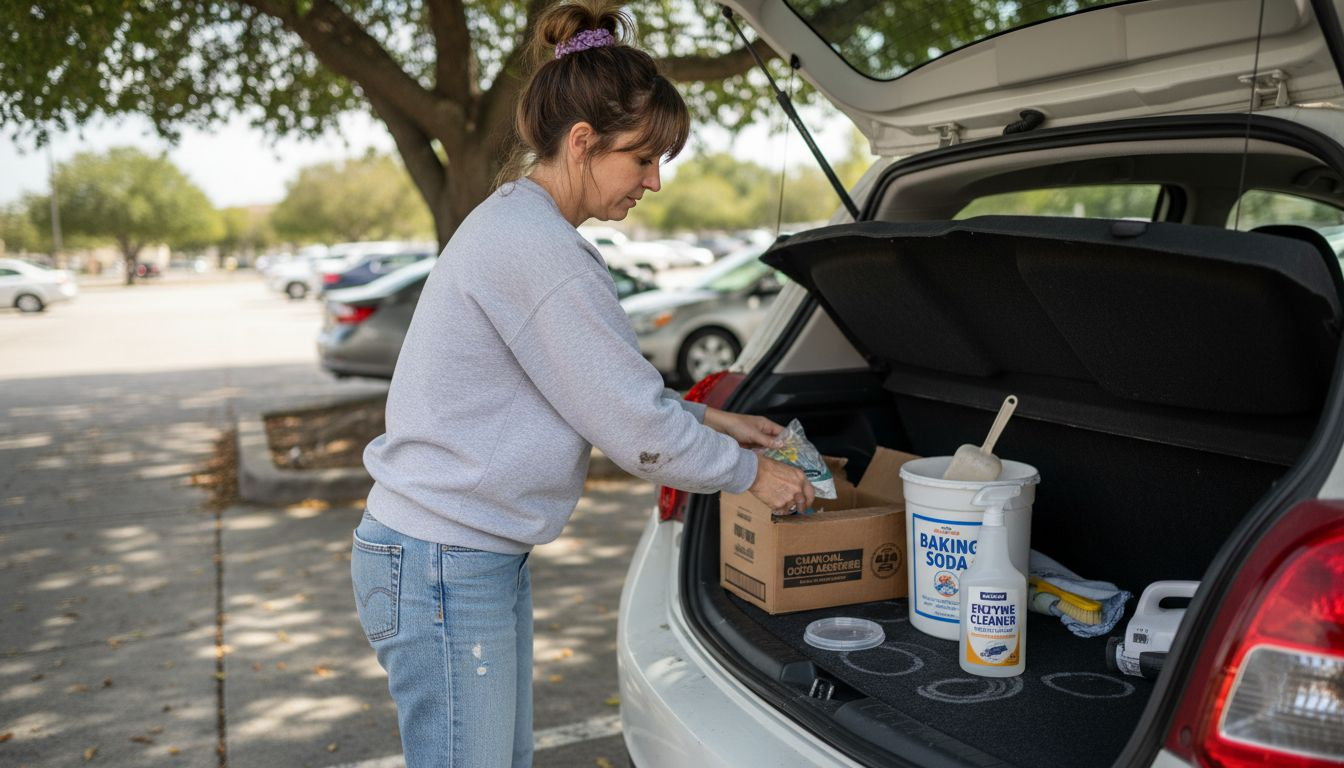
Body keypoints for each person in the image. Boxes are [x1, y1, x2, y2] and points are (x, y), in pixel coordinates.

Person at [349, 1, 814, 765]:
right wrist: (750, 476)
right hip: (444, 562)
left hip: (452, 553)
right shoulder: (540, 252)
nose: (655, 182)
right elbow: (635, 433)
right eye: (643, 158)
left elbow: (596, 390)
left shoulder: (522, 227)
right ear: (581, 143)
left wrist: (719, 424)